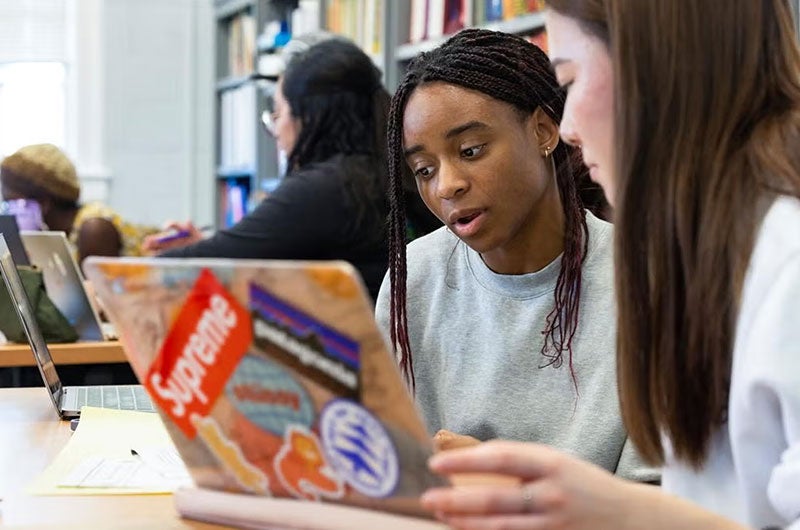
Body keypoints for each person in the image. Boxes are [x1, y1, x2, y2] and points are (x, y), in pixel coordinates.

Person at [419, 1, 800, 529]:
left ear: (658, 73)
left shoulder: (784, 264)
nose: (570, 127)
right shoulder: (701, 255)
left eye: (571, 82)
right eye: (421, 168)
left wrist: (585, 506)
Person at [375, 28, 652, 481]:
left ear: (544, 131)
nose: (446, 185)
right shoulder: (415, 276)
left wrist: (510, 492)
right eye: (424, 170)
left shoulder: (643, 279)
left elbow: (660, 498)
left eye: (471, 150)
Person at [144, 38, 438, 302]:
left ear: (310, 118)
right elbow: (244, 253)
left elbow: (182, 268)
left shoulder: (326, 188)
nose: (276, 130)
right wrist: (213, 246)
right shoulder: (397, 172)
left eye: (278, 113)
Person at [0, 143, 156, 263]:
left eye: (10, 202)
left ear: (43, 204)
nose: (8, 210)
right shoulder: (56, 233)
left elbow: (95, 301)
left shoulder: (95, 229)